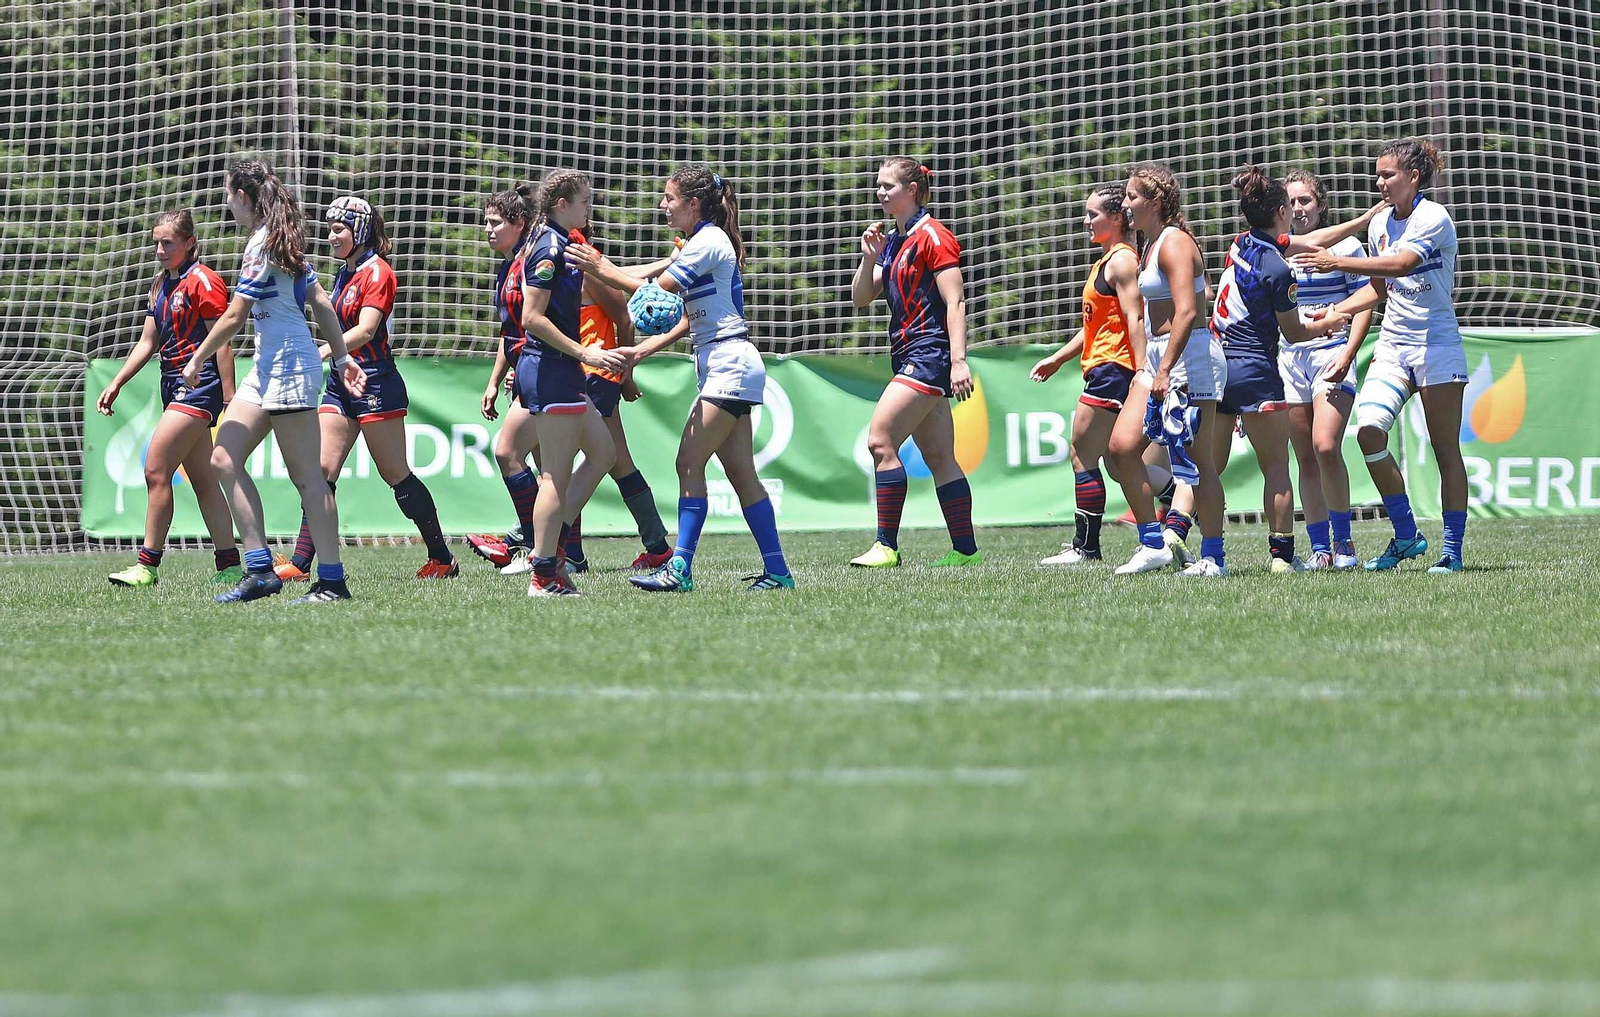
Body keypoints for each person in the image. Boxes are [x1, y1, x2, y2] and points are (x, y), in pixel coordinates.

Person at [567, 165, 795, 592]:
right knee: (742, 474)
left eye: (669, 198)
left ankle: (679, 569)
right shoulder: (699, 242)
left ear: (693, 203)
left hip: (729, 363)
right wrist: (640, 351)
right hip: (725, 362)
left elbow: (654, 293)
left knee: (688, 463)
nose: (662, 205)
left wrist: (598, 266)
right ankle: (778, 573)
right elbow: (687, 317)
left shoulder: (708, 241)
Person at [182, 158, 367, 604]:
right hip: (267, 367)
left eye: (228, 196)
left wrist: (197, 358)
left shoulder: (264, 242)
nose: (227, 204)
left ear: (242, 196)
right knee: (223, 457)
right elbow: (321, 302)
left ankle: (332, 581)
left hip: (289, 367)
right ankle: (261, 570)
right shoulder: (276, 238)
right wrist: (342, 358)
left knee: (308, 479)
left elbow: (236, 314)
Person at [1294, 139, 1469, 573]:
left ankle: (1452, 551)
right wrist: (1337, 311)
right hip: (1393, 343)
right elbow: (1379, 288)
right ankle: (1407, 535)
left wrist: (1337, 264)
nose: (1379, 182)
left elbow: (1401, 265)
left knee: (1445, 450)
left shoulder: (1433, 217)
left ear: (1414, 176)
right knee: (1370, 433)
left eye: (1387, 174)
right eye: (1378, 175)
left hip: (1436, 343)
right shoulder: (1379, 224)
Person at [272, 196, 458, 582]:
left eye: (338, 229)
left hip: (375, 381)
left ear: (359, 231)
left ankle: (442, 558)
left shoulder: (379, 272)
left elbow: (367, 330)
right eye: (329, 229)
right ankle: (301, 564)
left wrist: (323, 351)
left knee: (397, 476)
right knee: (320, 472)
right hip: (341, 381)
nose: (330, 236)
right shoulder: (345, 272)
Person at [1210, 166, 1353, 572]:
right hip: (1256, 368)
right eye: (1291, 203)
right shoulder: (1278, 268)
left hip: (1217, 365)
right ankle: (1282, 557)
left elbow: (1313, 240)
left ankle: (1199, 547)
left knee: (1208, 466)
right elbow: (1293, 332)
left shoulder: (1240, 244)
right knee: (1276, 466)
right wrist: (1328, 322)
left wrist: (1364, 219)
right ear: (1282, 213)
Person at [845, 158, 981, 569]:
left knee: (880, 440)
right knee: (939, 456)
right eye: (878, 185)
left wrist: (958, 361)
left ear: (911, 190)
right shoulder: (893, 240)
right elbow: (860, 298)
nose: (880, 192)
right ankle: (966, 552)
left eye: (888, 186)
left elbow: (956, 301)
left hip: (929, 353)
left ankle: (886, 546)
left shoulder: (933, 235)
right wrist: (869, 257)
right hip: (908, 353)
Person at [98, 210, 241, 588]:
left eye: (168, 243)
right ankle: (230, 564)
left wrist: (229, 399)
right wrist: (117, 382)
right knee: (203, 479)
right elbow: (148, 342)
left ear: (190, 243)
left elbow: (223, 342)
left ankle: (147, 566)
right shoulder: (161, 284)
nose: (160, 250)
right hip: (172, 385)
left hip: (199, 386)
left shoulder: (204, 280)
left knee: (156, 469)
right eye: (157, 243)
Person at [1105, 164, 1230, 576]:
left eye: (1132, 197)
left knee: (1198, 461)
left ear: (1155, 202)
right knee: (1120, 449)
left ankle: (1214, 558)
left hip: (1189, 356)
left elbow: (1189, 311)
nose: (1125, 204)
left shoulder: (1174, 241)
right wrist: (1151, 365)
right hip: (1160, 357)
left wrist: (1165, 369)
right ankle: (1153, 544)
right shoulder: (1150, 242)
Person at [514, 169, 628, 597]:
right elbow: (531, 318)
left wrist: (675, 266)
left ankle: (553, 547)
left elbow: (613, 274)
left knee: (603, 453)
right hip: (551, 368)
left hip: (564, 370)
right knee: (554, 477)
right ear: (562, 204)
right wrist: (586, 353)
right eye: (585, 201)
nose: (590, 207)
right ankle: (544, 574)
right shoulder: (548, 246)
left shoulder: (565, 242)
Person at [1030, 182, 1155, 565]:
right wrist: (1058, 358)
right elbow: (1095, 326)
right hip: (1106, 366)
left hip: (1113, 369)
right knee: (1117, 464)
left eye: (1092, 214)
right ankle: (1181, 507)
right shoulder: (1107, 261)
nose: (1086, 221)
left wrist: (1142, 370)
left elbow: (1135, 318)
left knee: (1082, 453)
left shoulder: (1122, 261)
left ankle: (1086, 548)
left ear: (1116, 218)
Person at [559, 226, 675, 574]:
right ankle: (657, 547)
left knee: (559, 458)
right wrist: (667, 262)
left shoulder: (578, 257)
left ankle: (531, 538)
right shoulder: (559, 259)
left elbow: (623, 314)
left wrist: (626, 374)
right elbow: (620, 274)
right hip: (586, 373)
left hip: (596, 374)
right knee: (618, 462)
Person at [1282, 168, 1374, 570]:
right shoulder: (1278, 249)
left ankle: (1344, 543)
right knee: (1304, 455)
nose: (1298, 208)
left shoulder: (1348, 247)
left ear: (1320, 204)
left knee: (1325, 445)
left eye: (1305, 200)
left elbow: (1367, 301)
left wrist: (1349, 353)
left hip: (1332, 352)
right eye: (1291, 202)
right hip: (1288, 359)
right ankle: (1320, 548)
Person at [464, 186, 544, 570]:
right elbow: (509, 330)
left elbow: (538, 324)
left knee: (507, 453)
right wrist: (494, 381)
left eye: (496, 222)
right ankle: (565, 553)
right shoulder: (507, 265)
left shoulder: (531, 263)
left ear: (519, 223)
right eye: (486, 222)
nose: (488, 230)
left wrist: (527, 365)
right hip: (524, 373)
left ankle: (536, 548)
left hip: (542, 373)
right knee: (550, 470)